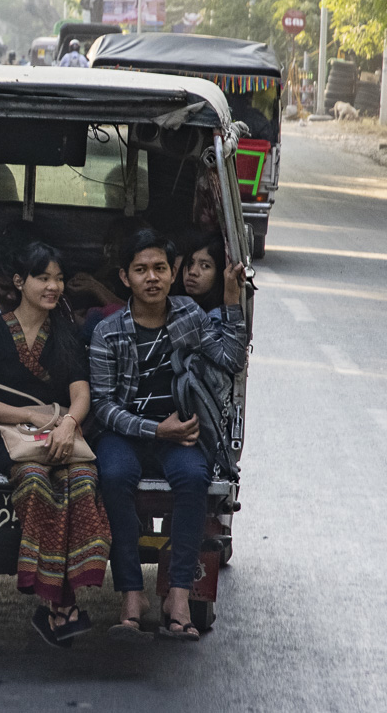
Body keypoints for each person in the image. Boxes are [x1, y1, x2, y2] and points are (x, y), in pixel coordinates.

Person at [90, 229, 247, 641]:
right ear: (125, 277)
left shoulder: (188, 315)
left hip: (179, 434)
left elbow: (231, 359)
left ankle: (178, 595)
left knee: (194, 480)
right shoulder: (107, 332)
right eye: (141, 270)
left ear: (172, 272)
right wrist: (155, 428)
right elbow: (103, 406)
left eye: (160, 268)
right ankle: (131, 594)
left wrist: (231, 301)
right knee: (114, 477)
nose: (152, 278)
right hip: (126, 434)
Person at [0, 243, 111, 646]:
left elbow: (81, 394)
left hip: (61, 435)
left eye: (59, 279)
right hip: (8, 440)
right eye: (43, 277)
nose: (53, 286)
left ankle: (57, 604)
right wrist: (29, 416)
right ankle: (59, 602)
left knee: (82, 480)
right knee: (33, 481)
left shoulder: (65, 333)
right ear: (20, 282)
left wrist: (67, 424)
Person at [177, 233, 226, 319]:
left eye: (205, 266)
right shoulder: (171, 308)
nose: (192, 272)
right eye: (190, 263)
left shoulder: (218, 318)